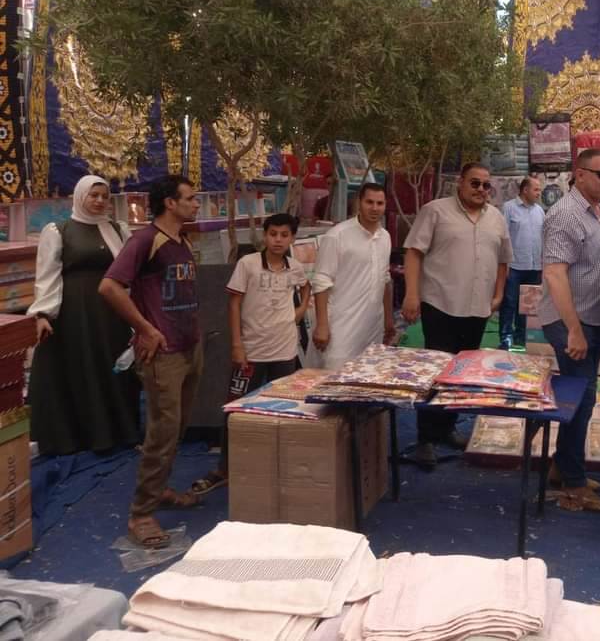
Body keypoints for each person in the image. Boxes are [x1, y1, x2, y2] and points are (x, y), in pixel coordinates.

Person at [99, 175, 202, 549]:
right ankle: (141, 513)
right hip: (164, 354)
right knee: (162, 432)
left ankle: (159, 490)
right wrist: (145, 329)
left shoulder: (182, 241)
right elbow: (109, 287)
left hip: (190, 347)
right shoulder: (145, 240)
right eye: (190, 198)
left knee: (177, 428)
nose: (196, 203)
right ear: (169, 203)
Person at [191, 213, 311, 496]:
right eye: (273, 234)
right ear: (264, 236)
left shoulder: (295, 267)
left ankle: (278, 465)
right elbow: (234, 304)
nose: (278, 240)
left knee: (285, 410)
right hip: (251, 352)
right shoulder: (248, 264)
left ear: (292, 238)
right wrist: (237, 345)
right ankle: (225, 468)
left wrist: (300, 311)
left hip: (284, 351)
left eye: (284, 235)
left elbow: (307, 287)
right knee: (235, 409)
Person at [403, 163, 512, 468]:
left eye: (486, 185)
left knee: (461, 374)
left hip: (477, 308)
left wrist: (498, 294)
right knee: (436, 372)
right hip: (440, 303)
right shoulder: (435, 211)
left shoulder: (497, 218)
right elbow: (413, 252)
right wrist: (411, 294)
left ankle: (448, 428)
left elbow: (503, 261)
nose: (481, 190)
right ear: (460, 183)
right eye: (475, 183)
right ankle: (425, 439)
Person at [28, 175, 140, 456]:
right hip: (74, 317)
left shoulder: (118, 229)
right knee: (81, 370)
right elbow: (48, 275)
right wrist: (43, 314)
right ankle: (81, 436)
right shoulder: (59, 231)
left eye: (104, 196)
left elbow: (132, 273)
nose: (100, 201)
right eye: (94, 195)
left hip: (112, 314)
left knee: (115, 368)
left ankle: (119, 432)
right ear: (80, 197)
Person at [539, 148, 600, 511]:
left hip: (593, 318)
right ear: (579, 174)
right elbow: (555, 274)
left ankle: (562, 466)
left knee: (581, 397)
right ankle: (572, 480)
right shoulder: (565, 214)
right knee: (580, 400)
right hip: (571, 321)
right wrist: (574, 330)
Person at [312, 183, 394, 369]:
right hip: (341, 325)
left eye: (380, 203)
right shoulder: (337, 235)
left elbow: (385, 279)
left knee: (366, 375)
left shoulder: (385, 237)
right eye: (369, 202)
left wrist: (388, 319)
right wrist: (322, 325)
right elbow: (321, 281)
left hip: (372, 326)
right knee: (335, 374)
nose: (374, 208)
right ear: (359, 202)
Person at [499, 176, 544, 350]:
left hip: (535, 267)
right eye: (536, 189)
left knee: (528, 305)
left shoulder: (539, 211)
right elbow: (503, 237)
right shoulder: (509, 208)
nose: (539, 193)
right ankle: (506, 338)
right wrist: (504, 264)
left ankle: (521, 337)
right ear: (525, 190)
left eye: (540, 190)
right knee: (509, 303)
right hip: (514, 266)